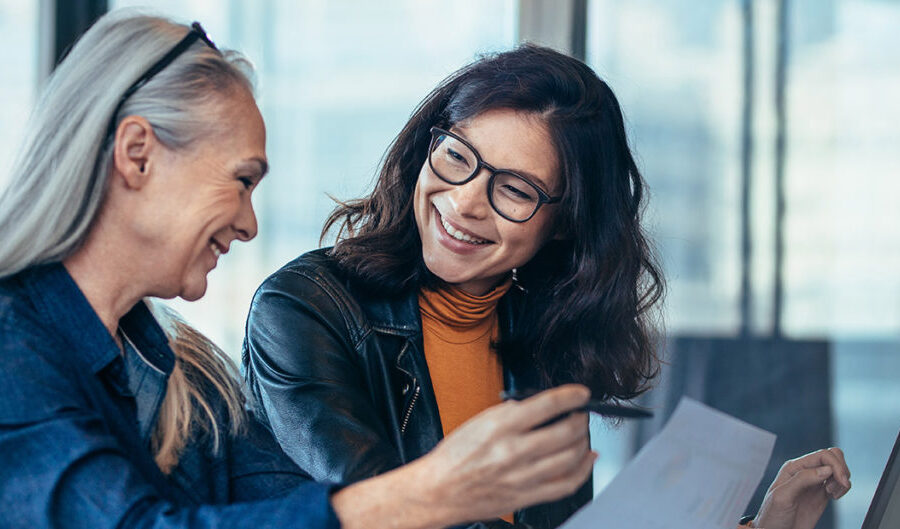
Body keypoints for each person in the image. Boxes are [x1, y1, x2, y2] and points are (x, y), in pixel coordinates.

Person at [0, 12, 605, 529]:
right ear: (137, 155)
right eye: (241, 181)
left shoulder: (187, 380)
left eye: (517, 190)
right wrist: (432, 491)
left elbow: (296, 506)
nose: (248, 224)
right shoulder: (11, 345)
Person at [242, 44, 852, 529]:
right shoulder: (303, 308)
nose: (464, 202)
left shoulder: (545, 338)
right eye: (457, 156)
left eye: (514, 190)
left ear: (564, 225)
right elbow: (385, 512)